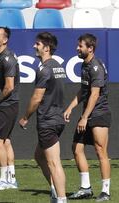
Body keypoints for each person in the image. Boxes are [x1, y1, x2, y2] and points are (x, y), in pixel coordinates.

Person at [18, 32, 67, 203]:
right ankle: (55, 191)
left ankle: (61, 199)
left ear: (46, 48)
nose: (34, 46)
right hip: (57, 118)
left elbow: (37, 97)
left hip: (48, 120)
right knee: (39, 156)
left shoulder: (44, 69)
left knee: (54, 163)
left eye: (37, 44)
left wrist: (25, 117)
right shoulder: (58, 66)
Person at [64, 33, 111, 202]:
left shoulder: (96, 67)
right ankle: (86, 188)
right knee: (77, 148)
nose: (77, 48)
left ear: (90, 49)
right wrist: (70, 107)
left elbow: (95, 94)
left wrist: (84, 117)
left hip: (99, 114)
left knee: (100, 151)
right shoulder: (84, 65)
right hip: (87, 114)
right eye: (78, 45)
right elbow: (84, 91)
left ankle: (105, 191)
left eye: (80, 46)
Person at [0, 27, 20, 191]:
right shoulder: (1, 57)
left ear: (5, 40)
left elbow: (9, 86)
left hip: (7, 105)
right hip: (10, 105)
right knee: (6, 141)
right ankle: (11, 179)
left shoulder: (7, 59)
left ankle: (3, 180)